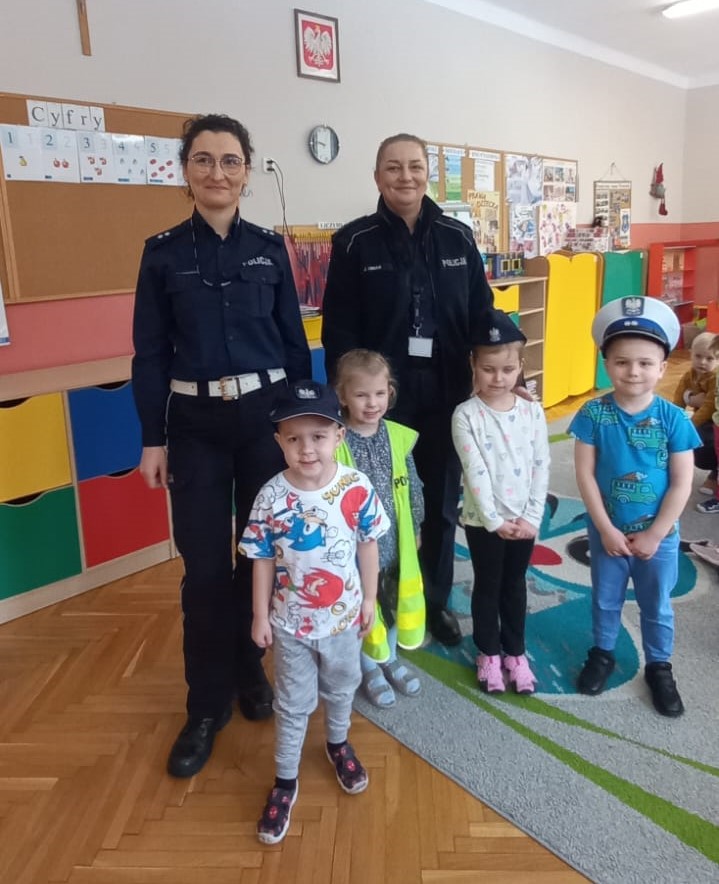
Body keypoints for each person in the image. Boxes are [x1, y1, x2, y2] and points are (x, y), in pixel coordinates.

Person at [131, 114, 311, 778]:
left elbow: (294, 345)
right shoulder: (161, 253)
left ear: (246, 171)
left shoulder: (268, 249)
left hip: (265, 421)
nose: (217, 172)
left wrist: (303, 428)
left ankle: (248, 668)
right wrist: (153, 439)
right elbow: (150, 354)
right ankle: (205, 705)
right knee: (205, 569)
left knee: (258, 558)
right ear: (185, 170)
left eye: (230, 160)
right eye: (203, 159)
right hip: (196, 426)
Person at [322, 133, 495, 648]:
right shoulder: (354, 242)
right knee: (376, 499)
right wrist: (343, 401)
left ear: (428, 174)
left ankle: (434, 599)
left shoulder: (458, 237)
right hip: (377, 402)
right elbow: (339, 330)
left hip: (445, 390)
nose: (406, 176)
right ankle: (377, 592)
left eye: (415, 166)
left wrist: (509, 377)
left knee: (439, 499)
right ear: (377, 177)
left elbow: (483, 312)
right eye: (393, 167)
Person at [238, 380, 390, 844]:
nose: (307, 449)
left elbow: (368, 545)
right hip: (290, 625)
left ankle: (337, 743)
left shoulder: (355, 487)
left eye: (318, 436)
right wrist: (259, 615)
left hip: (344, 620)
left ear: (339, 436)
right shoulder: (270, 497)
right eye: (294, 438)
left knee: (342, 687)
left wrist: (369, 599)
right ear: (279, 441)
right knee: (291, 703)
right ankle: (285, 781)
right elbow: (261, 559)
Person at [569, 296, 700, 717]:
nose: (634, 371)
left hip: (658, 536)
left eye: (645, 363)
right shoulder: (592, 413)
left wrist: (656, 534)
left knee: (655, 604)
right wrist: (606, 529)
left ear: (662, 367)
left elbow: (681, 483)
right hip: (607, 531)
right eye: (622, 362)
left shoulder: (674, 419)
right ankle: (603, 653)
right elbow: (585, 475)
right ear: (606, 364)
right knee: (605, 599)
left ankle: (659, 666)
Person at [451, 309, 550, 694]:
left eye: (508, 369)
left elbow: (541, 464)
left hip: (524, 520)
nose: (498, 378)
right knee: (488, 585)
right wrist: (494, 521)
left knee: (515, 585)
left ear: (520, 367)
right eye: (488, 369)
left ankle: (515, 653)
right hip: (484, 523)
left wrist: (532, 517)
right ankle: (489, 653)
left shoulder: (532, 410)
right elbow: (474, 472)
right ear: (473, 365)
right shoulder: (465, 415)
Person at [333, 348, 425, 708]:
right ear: (342, 396)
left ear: (390, 392)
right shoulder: (336, 440)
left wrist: (416, 524)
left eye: (379, 393)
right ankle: (369, 665)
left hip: (394, 539)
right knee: (363, 605)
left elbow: (413, 485)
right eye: (361, 395)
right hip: (355, 547)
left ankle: (390, 657)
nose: (372, 403)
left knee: (392, 597)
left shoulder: (398, 436)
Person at [671, 330, 719, 496]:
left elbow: (708, 406)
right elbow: (678, 398)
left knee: (704, 444)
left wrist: (688, 425)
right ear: (691, 354)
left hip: (713, 420)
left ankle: (714, 474)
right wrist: (675, 421)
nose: (703, 362)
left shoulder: (715, 377)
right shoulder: (689, 375)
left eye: (709, 358)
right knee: (686, 439)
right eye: (698, 356)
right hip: (704, 420)